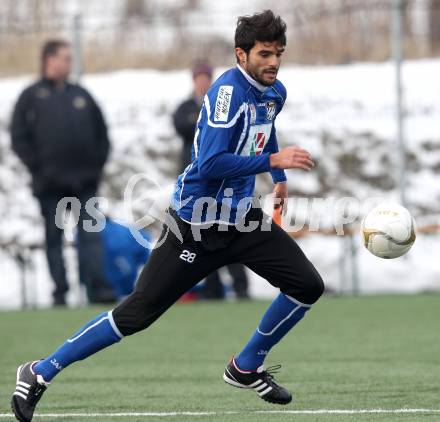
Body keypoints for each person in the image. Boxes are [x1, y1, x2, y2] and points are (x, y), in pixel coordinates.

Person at [11, 11, 324, 421]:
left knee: (306, 286)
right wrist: (273, 159)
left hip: (241, 220)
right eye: (265, 53)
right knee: (137, 313)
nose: (274, 62)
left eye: (279, 53)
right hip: (195, 224)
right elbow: (210, 163)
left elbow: (265, 130)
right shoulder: (225, 96)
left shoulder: (273, 91)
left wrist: (277, 175)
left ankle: (246, 367)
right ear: (240, 54)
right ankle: (39, 370)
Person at [10, 39, 113, 306]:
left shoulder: (81, 94)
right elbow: (19, 139)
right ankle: (60, 292)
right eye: (65, 58)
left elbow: (102, 135)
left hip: (85, 185)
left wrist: (95, 168)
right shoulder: (31, 97)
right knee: (54, 239)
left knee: (91, 237)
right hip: (50, 187)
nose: (69, 62)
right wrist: (41, 171)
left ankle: (97, 290)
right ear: (49, 60)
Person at [173, 61, 249, 300]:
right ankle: (213, 289)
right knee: (203, 237)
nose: (203, 81)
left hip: (224, 185)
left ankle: (240, 288)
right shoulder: (185, 106)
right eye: (200, 77)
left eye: (207, 77)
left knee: (230, 233)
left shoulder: (224, 103)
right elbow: (183, 126)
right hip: (198, 186)